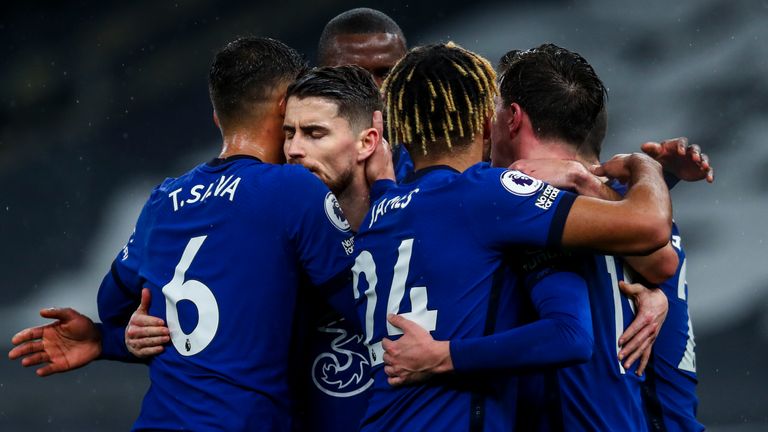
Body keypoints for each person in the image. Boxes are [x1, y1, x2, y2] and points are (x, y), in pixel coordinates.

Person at [9, 36, 364, 432]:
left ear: (217, 117)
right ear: (285, 109)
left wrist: (111, 338)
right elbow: (361, 308)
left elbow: (113, 306)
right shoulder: (294, 189)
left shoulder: (165, 198)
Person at [382, 44, 709, 430]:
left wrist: (442, 355)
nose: (484, 122)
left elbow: (570, 335)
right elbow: (662, 261)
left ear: (512, 118)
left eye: (494, 107)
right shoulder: (629, 206)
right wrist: (647, 172)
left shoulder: (516, 202)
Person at [317, 7, 413, 182]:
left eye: (386, 73)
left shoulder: (435, 166)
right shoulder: (293, 165)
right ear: (318, 79)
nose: (373, 89)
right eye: (354, 73)